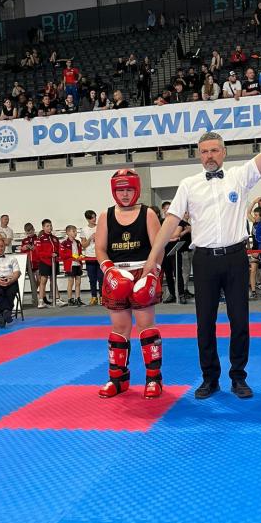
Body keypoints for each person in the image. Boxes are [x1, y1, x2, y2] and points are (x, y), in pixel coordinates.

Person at [141, 131, 261, 400]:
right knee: (205, 323)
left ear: (224, 152)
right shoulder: (188, 184)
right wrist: (152, 257)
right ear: (199, 155)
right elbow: (171, 221)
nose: (209, 156)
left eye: (214, 150)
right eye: (204, 151)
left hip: (235, 257)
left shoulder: (240, 176)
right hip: (204, 260)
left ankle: (238, 377)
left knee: (240, 321)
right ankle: (209, 378)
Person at [95, 170, 164, 400]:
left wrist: (152, 274)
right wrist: (109, 271)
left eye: (129, 189)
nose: (125, 194)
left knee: (146, 326)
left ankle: (153, 379)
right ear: (114, 191)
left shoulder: (148, 214)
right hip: (115, 273)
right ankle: (118, 380)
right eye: (121, 190)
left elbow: (158, 247)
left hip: (143, 271)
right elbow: (100, 248)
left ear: (137, 189)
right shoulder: (106, 215)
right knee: (119, 328)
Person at [33, 219, 68, 308]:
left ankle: (57, 299)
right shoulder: (40, 239)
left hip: (54, 262)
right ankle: (41, 301)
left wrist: (59, 255)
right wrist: (49, 254)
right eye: (47, 226)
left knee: (54, 280)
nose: (49, 227)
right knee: (43, 280)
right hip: (45, 262)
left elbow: (59, 249)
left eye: (50, 225)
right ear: (43, 227)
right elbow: (39, 252)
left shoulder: (55, 238)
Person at [80, 210, 103, 305]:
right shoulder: (84, 230)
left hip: (100, 255)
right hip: (89, 256)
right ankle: (94, 297)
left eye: (95, 217)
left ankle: (102, 297)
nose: (94, 219)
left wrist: (98, 238)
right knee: (92, 278)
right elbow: (83, 245)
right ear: (87, 219)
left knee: (101, 278)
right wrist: (90, 238)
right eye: (92, 218)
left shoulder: (100, 227)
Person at [60, 225, 84, 306]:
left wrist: (81, 257)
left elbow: (80, 253)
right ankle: (70, 299)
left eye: (76, 231)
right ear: (68, 232)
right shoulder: (64, 243)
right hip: (70, 265)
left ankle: (77, 298)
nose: (75, 233)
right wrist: (73, 256)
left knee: (78, 282)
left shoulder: (78, 242)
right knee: (70, 282)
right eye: (73, 231)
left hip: (78, 264)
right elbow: (62, 255)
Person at [19, 222, 39, 306]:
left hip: (37, 262)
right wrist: (23, 248)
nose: (30, 233)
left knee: (40, 280)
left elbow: (40, 249)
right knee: (32, 282)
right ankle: (34, 298)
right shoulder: (24, 241)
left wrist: (35, 248)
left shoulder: (38, 239)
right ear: (25, 232)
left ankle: (38, 295)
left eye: (31, 231)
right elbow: (22, 252)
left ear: (34, 230)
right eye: (28, 232)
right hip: (29, 264)